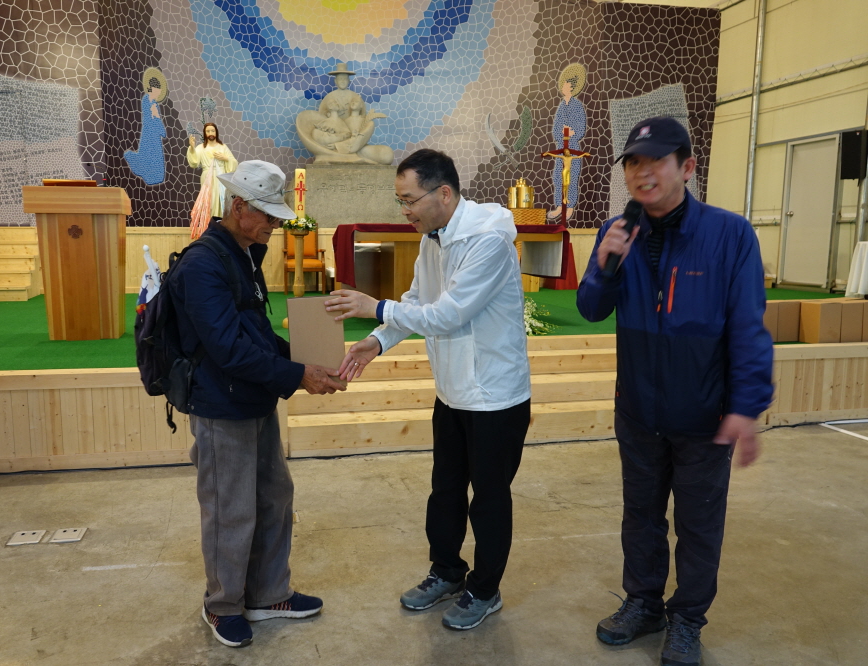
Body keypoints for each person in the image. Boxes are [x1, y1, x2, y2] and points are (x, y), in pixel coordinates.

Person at [576, 117, 773, 666]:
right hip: (639, 410)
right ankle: (643, 603)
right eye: (633, 163)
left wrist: (746, 406)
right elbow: (590, 309)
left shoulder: (730, 234)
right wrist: (605, 266)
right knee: (640, 515)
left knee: (698, 524)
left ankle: (687, 619)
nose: (643, 173)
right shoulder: (618, 230)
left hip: (703, 415)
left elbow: (749, 327)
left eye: (656, 161)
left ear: (687, 167)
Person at [324, 149, 531, 631]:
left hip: (494, 396)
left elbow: (448, 315)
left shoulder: (488, 241)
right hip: (453, 391)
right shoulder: (432, 238)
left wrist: (375, 308)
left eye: (409, 200)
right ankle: (447, 571)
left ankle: (486, 590)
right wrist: (377, 341)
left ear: (444, 193)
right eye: (400, 201)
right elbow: (418, 301)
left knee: (489, 498)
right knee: (446, 490)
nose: (405, 211)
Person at [169, 160, 347, 648]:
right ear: (239, 206)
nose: (274, 224)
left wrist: (307, 362)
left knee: (273, 495)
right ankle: (223, 604)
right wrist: (299, 375)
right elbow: (227, 348)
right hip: (219, 404)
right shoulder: (204, 263)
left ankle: (269, 594)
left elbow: (258, 334)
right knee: (230, 508)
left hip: (252, 397)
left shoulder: (244, 253)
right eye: (267, 215)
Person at [548, 63, 587, 220]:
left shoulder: (577, 106)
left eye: (566, 85)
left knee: (571, 177)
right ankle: (559, 205)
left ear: (571, 87)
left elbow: (581, 127)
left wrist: (572, 132)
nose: (563, 87)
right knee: (558, 177)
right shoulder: (561, 106)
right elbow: (556, 128)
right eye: (563, 85)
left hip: (572, 147)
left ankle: (569, 206)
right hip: (561, 146)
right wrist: (561, 132)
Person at [187, 122, 237, 238]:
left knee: (222, 203)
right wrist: (192, 148)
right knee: (209, 204)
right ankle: (209, 231)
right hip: (207, 179)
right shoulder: (201, 148)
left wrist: (226, 158)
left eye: (212, 131)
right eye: (208, 131)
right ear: (205, 133)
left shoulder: (223, 147)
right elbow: (194, 162)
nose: (210, 133)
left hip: (221, 179)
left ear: (216, 132)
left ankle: (223, 231)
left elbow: (233, 162)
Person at [124, 70, 167, 185]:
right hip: (149, 135)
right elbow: (149, 118)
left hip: (155, 136)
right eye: (157, 90)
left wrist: (156, 116)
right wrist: (154, 114)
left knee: (156, 157)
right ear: (153, 89)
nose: (158, 93)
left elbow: (157, 120)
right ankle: (148, 173)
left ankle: (156, 176)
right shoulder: (146, 100)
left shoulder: (155, 104)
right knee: (148, 156)